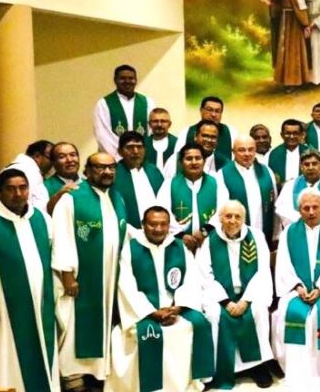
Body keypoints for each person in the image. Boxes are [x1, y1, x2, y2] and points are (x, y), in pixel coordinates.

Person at [106, 206, 214, 392]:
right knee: (149, 334)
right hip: (143, 311)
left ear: (169, 226)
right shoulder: (131, 249)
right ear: (143, 225)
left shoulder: (179, 247)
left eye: (163, 224)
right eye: (153, 224)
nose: (158, 229)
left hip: (176, 308)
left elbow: (191, 280)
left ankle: (190, 382)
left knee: (199, 324)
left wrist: (178, 307)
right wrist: (152, 312)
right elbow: (126, 287)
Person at [51, 153, 127, 391]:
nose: (107, 172)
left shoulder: (116, 197)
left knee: (104, 324)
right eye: (100, 167)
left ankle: (97, 372)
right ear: (88, 170)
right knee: (75, 324)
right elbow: (61, 236)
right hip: (80, 278)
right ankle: (72, 376)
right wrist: (67, 275)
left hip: (110, 277)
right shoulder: (72, 199)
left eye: (111, 167)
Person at [0, 169, 59, 391]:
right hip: (5, 307)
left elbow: (54, 254)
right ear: (0, 193)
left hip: (42, 302)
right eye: (11, 189)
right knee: (8, 355)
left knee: (44, 349)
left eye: (23, 188)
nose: (18, 194)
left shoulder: (41, 218)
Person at [197, 200, 275, 389]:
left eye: (237, 216)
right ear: (220, 219)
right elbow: (204, 274)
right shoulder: (209, 241)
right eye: (228, 216)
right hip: (220, 296)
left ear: (244, 219)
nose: (232, 221)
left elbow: (262, 271)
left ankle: (257, 366)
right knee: (214, 314)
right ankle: (222, 368)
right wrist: (226, 301)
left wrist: (246, 301)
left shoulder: (256, 237)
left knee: (258, 311)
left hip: (250, 294)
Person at [272, 190, 320, 387]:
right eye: (306, 208)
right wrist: (298, 287)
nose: (311, 212)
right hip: (296, 290)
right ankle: (295, 370)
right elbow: (284, 264)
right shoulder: (289, 232)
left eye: (315, 207)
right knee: (290, 312)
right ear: (299, 210)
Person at [156, 143, 227, 244]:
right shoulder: (169, 184)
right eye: (189, 159)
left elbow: (223, 210)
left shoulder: (217, 183)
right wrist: (181, 235)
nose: (194, 162)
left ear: (204, 161)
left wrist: (205, 231)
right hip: (179, 242)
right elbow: (162, 212)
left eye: (198, 158)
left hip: (210, 241)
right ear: (181, 162)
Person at [216, 136, 278, 246]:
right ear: (233, 152)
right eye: (242, 150)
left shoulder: (267, 171)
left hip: (264, 234)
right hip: (235, 235)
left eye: (251, 149)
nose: (247, 154)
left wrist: (276, 235)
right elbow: (221, 210)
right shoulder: (222, 175)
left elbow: (274, 204)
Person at [261, 0, 310, 87]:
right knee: (284, 49)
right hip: (284, 21)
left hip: (295, 22)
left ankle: (295, 80)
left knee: (294, 50)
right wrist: (270, 4)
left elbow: (301, 6)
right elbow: (278, 6)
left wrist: (305, 24)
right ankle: (286, 80)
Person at [274, 149, 320, 239]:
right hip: (296, 234)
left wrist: (316, 221)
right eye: (306, 164)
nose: (310, 167)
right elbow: (281, 209)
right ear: (301, 167)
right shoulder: (289, 186)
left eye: (314, 164)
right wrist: (304, 219)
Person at [93, 64, 155, 158]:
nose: (127, 81)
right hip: (115, 158)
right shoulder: (104, 103)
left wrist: (141, 153)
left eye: (131, 78)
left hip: (142, 158)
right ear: (115, 80)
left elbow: (151, 131)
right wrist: (121, 156)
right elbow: (102, 134)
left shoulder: (148, 102)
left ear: (136, 80)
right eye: (122, 78)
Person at [113, 131, 163, 229]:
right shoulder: (114, 173)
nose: (135, 151)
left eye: (139, 147)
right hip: (127, 230)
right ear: (120, 151)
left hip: (157, 229)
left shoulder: (154, 171)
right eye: (130, 147)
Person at [0, 139, 53, 211]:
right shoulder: (28, 171)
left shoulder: (21, 167)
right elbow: (37, 208)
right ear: (37, 156)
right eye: (51, 158)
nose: (53, 163)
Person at [166, 119, 230, 177]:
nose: (209, 140)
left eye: (213, 137)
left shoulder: (225, 164)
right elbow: (168, 183)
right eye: (205, 136)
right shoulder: (176, 160)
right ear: (195, 137)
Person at [268, 119, 310, 185]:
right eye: (288, 133)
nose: (291, 136)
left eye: (295, 133)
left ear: (301, 135)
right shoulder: (275, 154)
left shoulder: (309, 152)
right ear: (282, 135)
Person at [43, 142, 82, 214]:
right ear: (54, 162)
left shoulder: (88, 183)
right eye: (62, 157)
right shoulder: (44, 187)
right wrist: (57, 196)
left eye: (73, 155)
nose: (69, 160)